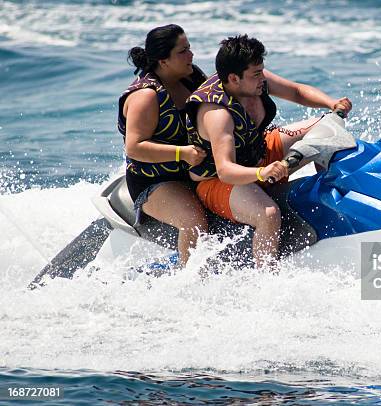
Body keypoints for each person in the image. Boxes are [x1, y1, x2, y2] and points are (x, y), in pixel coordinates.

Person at [186, 34, 352, 267]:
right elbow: (225, 170)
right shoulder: (217, 114)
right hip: (219, 181)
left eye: (261, 71)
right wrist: (261, 174)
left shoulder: (255, 80)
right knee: (269, 215)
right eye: (256, 74)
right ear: (234, 78)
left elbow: (296, 92)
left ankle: (330, 194)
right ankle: (265, 277)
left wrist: (331, 103)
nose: (262, 78)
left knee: (325, 129)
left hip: (259, 153)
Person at [119, 24, 209, 267]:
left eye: (189, 48)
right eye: (183, 51)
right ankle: (186, 282)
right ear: (163, 60)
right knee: (194, 222)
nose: (191, 55)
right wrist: (183, 153)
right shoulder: (145, 96)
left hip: (194, 170)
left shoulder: (192, 78)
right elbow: (135, 147)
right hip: (154, 180)